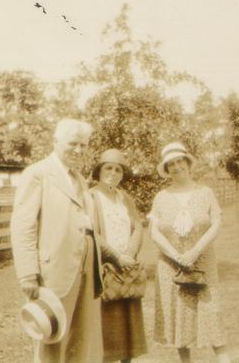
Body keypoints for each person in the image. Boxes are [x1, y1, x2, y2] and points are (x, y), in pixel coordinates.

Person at [10, 118, 103, 363]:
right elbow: (22, 226)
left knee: (80, 339)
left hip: (85, 269)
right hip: (53, 271)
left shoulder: (79, 178)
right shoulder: (38, 174)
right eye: (73, 143)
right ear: (56, 142)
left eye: (83, 145)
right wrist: (28, 273)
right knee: (51, 335)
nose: (79, 150)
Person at [148, 142, 231, 363]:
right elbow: (155, 232)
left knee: (211, 314)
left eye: (180, 161)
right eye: (171, 164)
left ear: (188, 163)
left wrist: (194, 252)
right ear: (166, 169)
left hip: (202, 261)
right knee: (180, 318)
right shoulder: (161, 197)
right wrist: (177, 256)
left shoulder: (205, 193)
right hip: (170, 266)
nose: (177, 167)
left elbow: (215, 224)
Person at [88, 149, 147, 363]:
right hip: (104, 270)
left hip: (127, 268)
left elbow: (138, 226)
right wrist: (115, 256)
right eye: (108, 168)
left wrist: (129, 253)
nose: (113, 172)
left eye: (118, 169)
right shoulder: (92, 197)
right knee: (108, 332)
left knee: (128, 332)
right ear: (99, 171)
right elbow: (91, 232)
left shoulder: (125, 198)